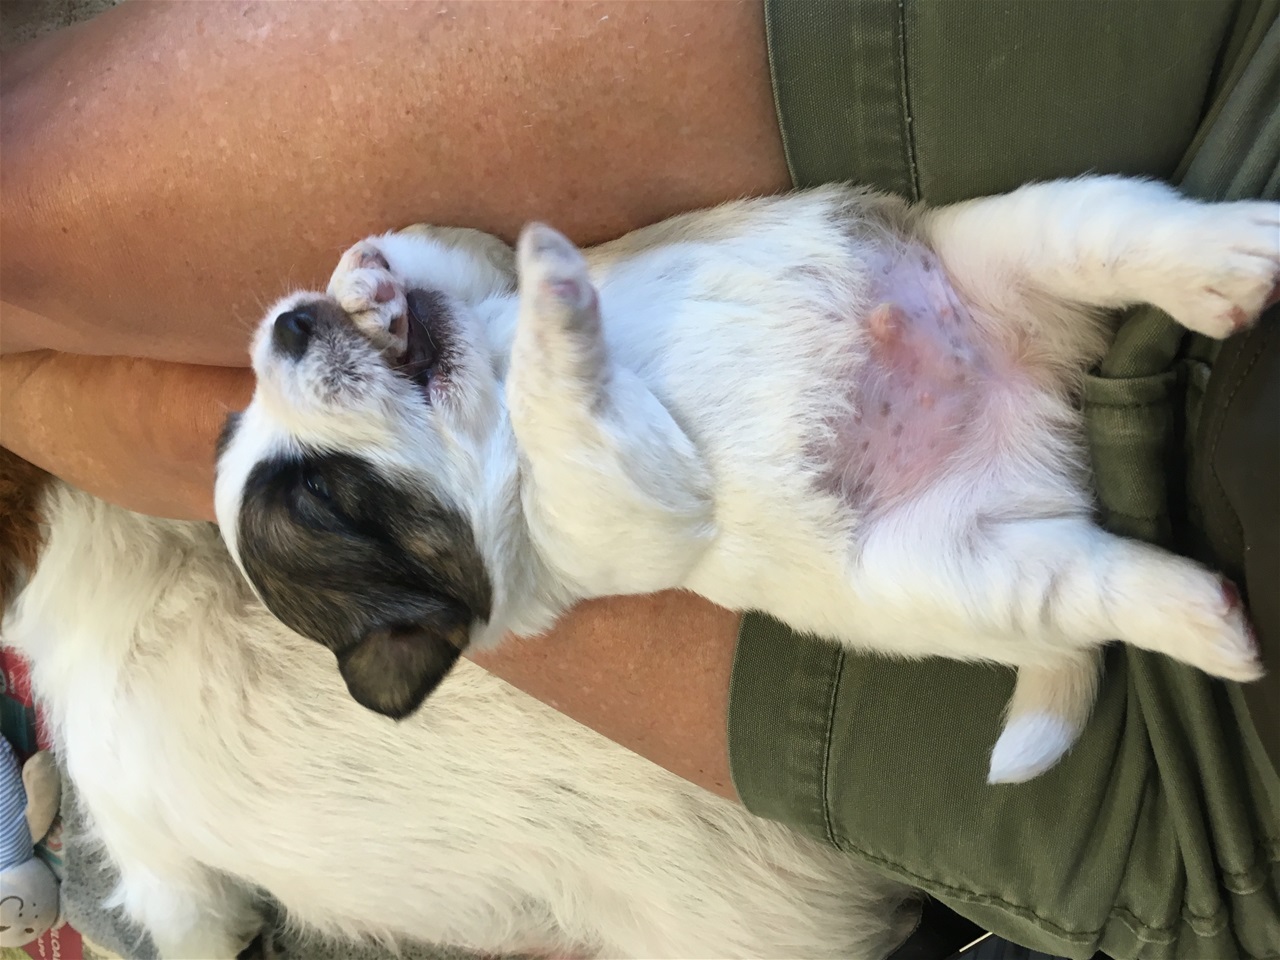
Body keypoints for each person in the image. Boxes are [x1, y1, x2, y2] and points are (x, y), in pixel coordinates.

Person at [2, 2, 1277, 958]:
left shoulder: (462, 474)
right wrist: (548, 363)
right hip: (970, 527)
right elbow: (639, 480)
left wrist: (406, 286)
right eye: (316, 470)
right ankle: (1116, 593)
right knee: (967, 573)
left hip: (946, 366)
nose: (276, 356)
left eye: (260, 411)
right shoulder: (562, 517)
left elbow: (459, 280)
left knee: (48, 276)